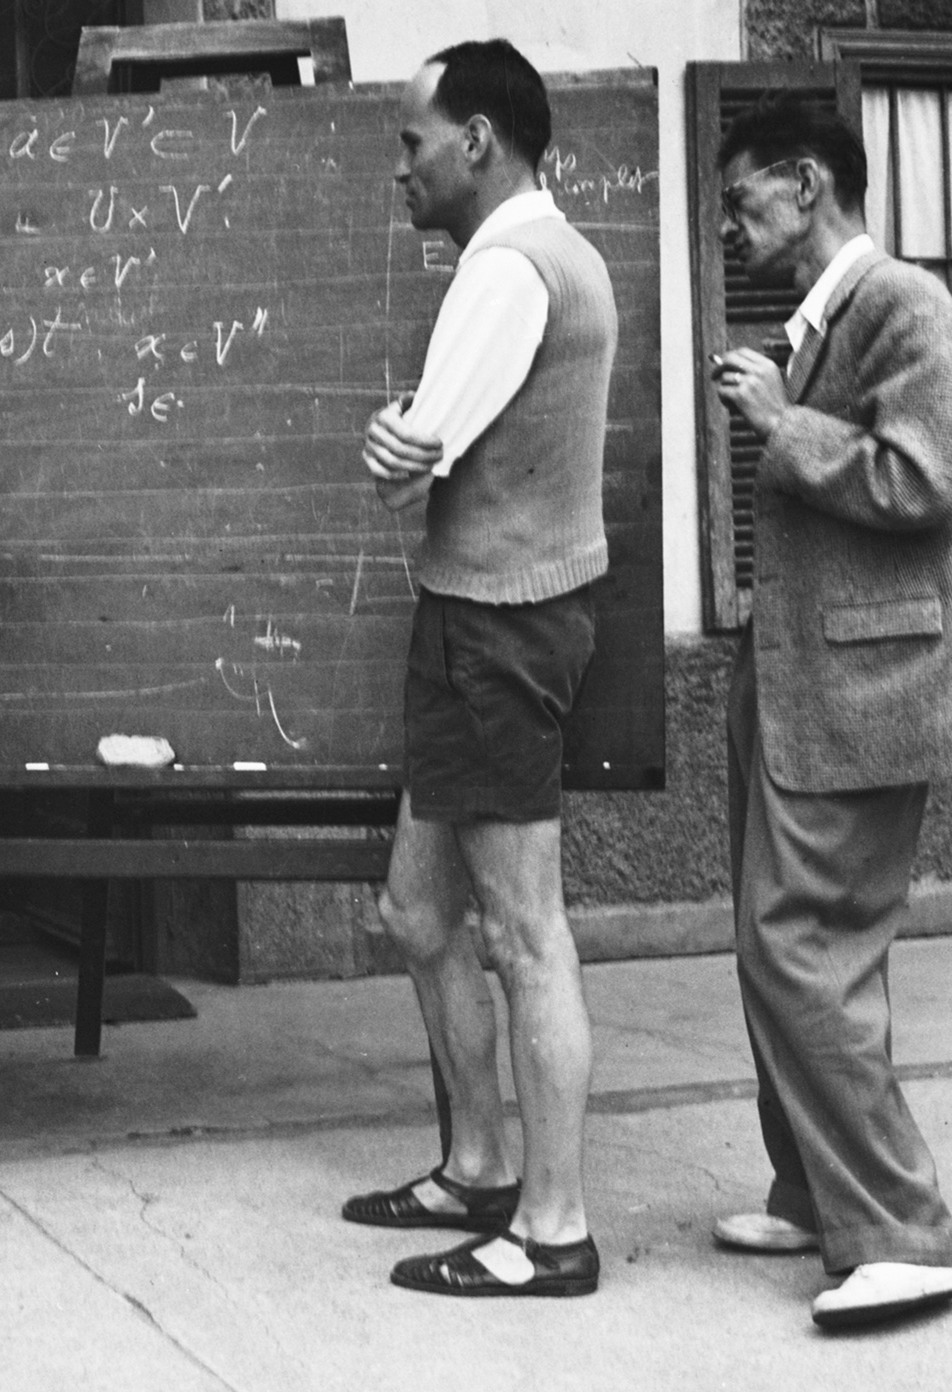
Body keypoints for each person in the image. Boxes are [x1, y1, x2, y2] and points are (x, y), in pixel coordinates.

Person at [709, 97, 952, 1329]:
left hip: (864, 690)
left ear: (806, 184)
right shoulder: (827, 319)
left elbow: (922, 481)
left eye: (742, 201)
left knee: (807, 948)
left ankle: (900, 1229)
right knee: (771, 941)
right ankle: (809, 1191)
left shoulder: (901, 305)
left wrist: (780, 425)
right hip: (803, 678)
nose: (733, 229)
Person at [348, 39, 616, 1299]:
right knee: (416, 910)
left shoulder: (507, 267)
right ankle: (477, 1165)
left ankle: (551, 1229)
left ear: (475, 142)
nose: (397, 166)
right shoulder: (528, 256)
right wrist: (409, 433)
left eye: (411, 142)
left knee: (523, 935)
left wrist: (391, 433)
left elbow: (411, 448)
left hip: (500, 628)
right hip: (480, 619)